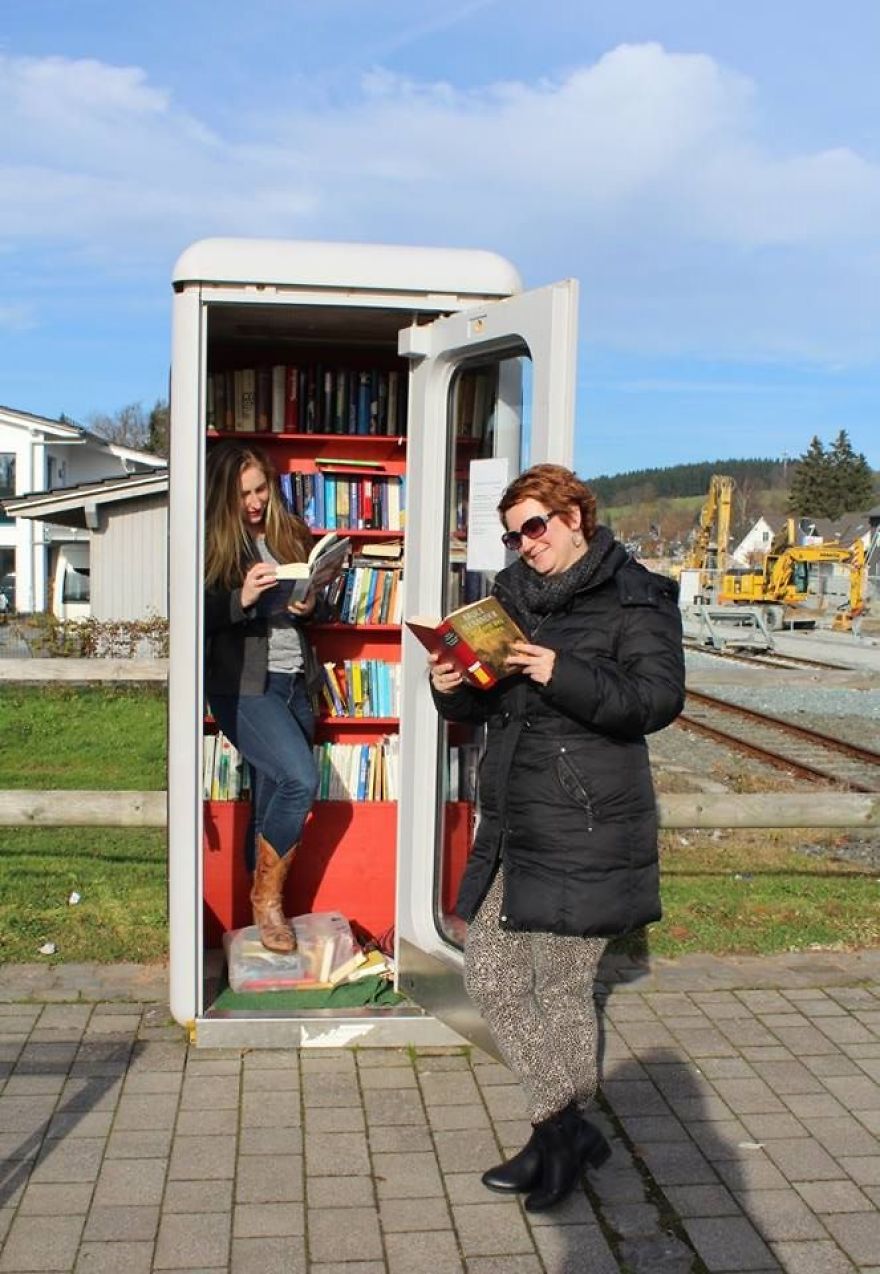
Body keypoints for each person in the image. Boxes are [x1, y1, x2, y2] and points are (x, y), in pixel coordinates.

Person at [429, 463, 685, 1212]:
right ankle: (565, 1133)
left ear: (575, 518)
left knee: (563, 990)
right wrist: (452, 687)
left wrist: (559, 670)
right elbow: (495, 709)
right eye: (514, 536)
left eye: (535, 528)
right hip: (517, 821)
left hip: (587, 822)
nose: (525, 545)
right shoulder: (513, 599)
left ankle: (558, 1143)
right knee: (492, 975)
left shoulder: (635, 594)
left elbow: (656, 700)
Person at [204, 439, 323, 954]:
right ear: (223, 496)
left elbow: (311, 603)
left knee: (272, 795)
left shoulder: (287, 532)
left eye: (261, 490)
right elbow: (197, 616)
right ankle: (267, 902)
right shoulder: (212, 543)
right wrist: (244, 597)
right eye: (244, 494)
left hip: (295, 680)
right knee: (300, 779)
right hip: (244, 684)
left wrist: (310, 603)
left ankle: (261, 915)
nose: (255, 502)